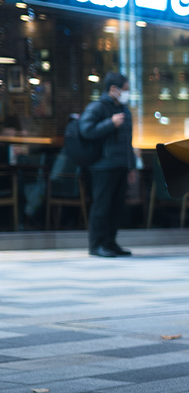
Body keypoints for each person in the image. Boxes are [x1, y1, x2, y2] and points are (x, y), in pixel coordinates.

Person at [78, 72, 135, 257]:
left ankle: (110, 243)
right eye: (125, 89)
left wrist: (131, 166)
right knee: (101, 207)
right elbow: (86, 130)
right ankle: (96, 245)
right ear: (113, 89)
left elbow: (129, 142)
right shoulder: (97, 107)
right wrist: (110, 123)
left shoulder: (125, 110)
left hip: (120, 165)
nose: (127, 93)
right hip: (102, 166)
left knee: (116, 207)